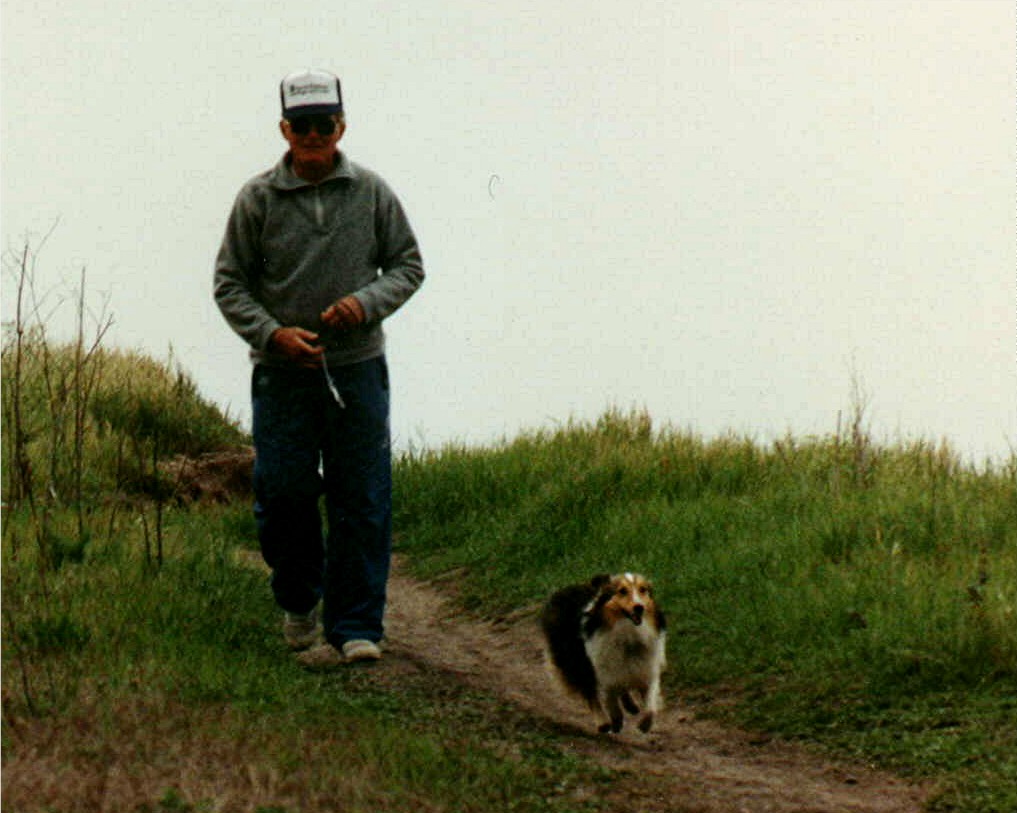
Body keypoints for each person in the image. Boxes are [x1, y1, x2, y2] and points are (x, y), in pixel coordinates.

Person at [214, 69, 424, 666]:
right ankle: (299, 604)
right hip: (282, 375)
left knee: (362, 497)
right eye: (301, 125)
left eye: (323, 125)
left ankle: (357, 626)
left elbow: (408, 266)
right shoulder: (256, 199)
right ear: (284, 128)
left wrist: (366, 303)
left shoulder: (372, 192)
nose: (313, 135)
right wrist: (273, 334)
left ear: (341, 125)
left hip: (358, 370)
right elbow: (230, 283)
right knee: (283, 495)